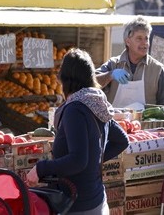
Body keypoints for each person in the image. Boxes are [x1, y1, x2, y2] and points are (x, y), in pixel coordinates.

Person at [26, 48, 129, 214]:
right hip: (97, 200)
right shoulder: (98, 103)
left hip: (78, 204)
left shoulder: (75, 109)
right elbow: (121, 141)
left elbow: (78, 160)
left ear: (66, 80)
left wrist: (41, 168)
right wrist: (94, 160)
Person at [96, 15, 164, 109]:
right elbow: (91, 83)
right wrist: (110, 75)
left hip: (144, 123)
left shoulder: (158, 70)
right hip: (116, 122)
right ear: (128, 41)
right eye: (139, 38)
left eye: (146, 38)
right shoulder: (113, 64)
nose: (144, 43)